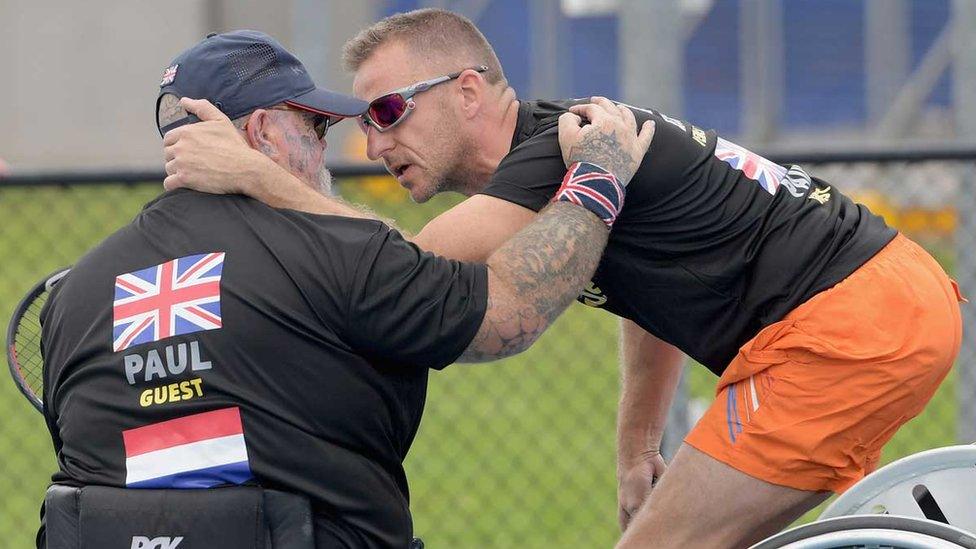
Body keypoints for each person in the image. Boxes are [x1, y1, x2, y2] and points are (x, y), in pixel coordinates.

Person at [160, 10, 965, 548]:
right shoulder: (574, 156)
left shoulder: (555, 152)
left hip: (845, 323)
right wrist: (635, 442)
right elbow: (654, 292)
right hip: (878, 303)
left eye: (387, 112)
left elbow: (404, 266)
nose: (372, 145)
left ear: (468, 90)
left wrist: (258, 176)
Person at [38, 29, 653, 548]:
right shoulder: (337, 254)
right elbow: (511, 313)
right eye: (315, 126)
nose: (333, 147)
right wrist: (598, 178)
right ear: (264, 132)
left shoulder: (72, 294)